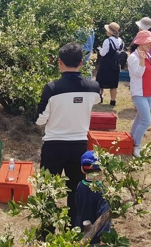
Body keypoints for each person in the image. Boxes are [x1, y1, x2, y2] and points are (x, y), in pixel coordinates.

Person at [36, 43, 101, 229]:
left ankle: (47, 230)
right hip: (79, 145)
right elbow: (98, 100)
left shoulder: (51, 88)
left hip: (53, 145)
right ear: (82, 62)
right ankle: (73, 228)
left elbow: (39, 120)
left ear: (59, 62)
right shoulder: (93, 88)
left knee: (49, 189)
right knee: (76, 189)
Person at [127, 31, 151, 157]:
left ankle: (131, 139)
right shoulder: (133, 57)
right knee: (146, 121)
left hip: (150, 92)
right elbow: (138, 74)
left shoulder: (147, 54)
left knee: (140, 118)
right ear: (140, 42)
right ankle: (136, 145)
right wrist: (142, 60)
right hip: (139, 93)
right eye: (148, 42)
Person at [75, 151, 111, 246]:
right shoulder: (102, 190)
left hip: (79, 228)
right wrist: (104, 235)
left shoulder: (80, 185)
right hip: (95, 233)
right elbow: (104, 213)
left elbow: (77, 204)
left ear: (82, 169)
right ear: (101, 170)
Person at [95, 22, 124, 106]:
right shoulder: (121, 41)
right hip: (115, 65)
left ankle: (100, 99)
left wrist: (100, 50)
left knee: (100, 83)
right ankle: (113, 101)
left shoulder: (107, 41)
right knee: (113, 84)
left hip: (106, 64)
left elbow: (103, 53)